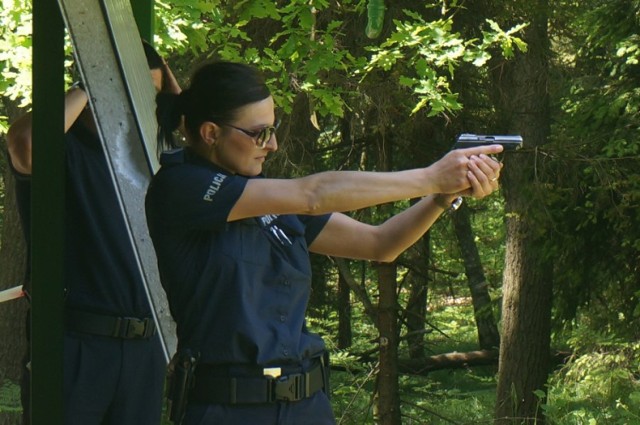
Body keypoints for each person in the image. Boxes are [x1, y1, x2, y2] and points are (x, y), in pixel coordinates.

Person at [145, 61, 503, 425]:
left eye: (274, 128)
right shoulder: (181, 186)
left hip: (306, 405)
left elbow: (381, 243)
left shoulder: (272, 199)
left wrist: (442, 196)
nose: (273, 144)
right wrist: (430, 177)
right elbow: (314, 194)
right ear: (210, 133)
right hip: (229, 409)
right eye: (260, 133)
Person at [6, 39, 180, 425]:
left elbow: (192, 127)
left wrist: (162, 77)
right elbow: (25, 143)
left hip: (143, 351)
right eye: (127, 90)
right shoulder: (62, 147)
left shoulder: (152, 157)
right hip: (74, 345)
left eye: (147, 94)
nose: (140, 105)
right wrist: (94, 83)